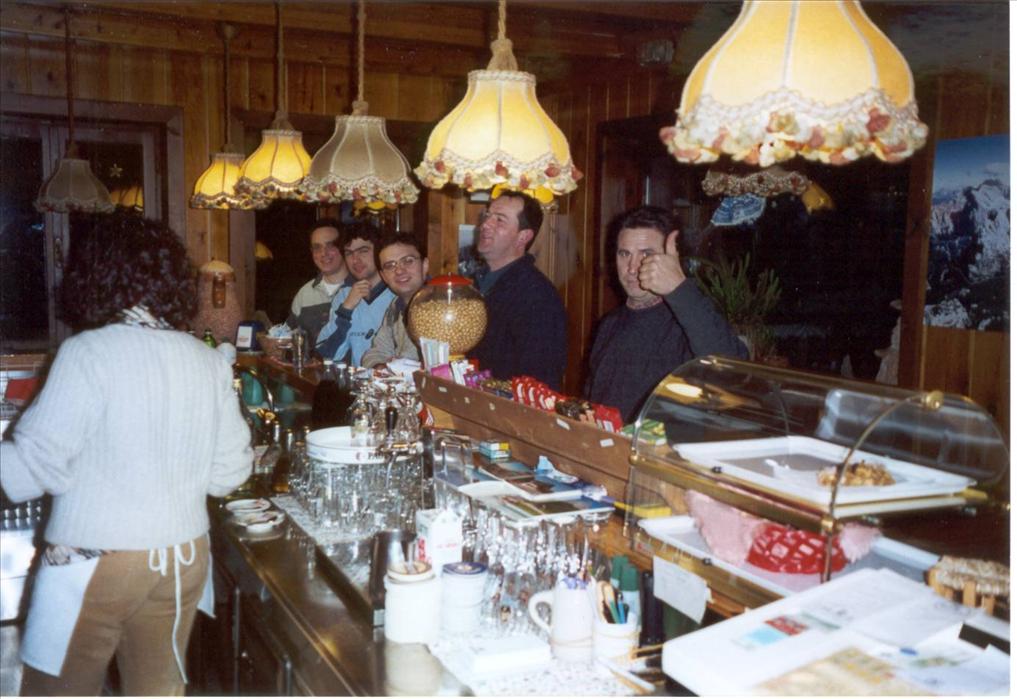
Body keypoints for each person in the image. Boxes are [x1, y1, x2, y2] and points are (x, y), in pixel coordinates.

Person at [0, 213, 253, 696]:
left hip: (95, 560)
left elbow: (34, 467)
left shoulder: (89, 352)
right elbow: (229, 473)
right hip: (182, 558)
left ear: (96, 275)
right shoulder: (207, 360)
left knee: (56, 691)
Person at [585, 205, 748, 423]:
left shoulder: (687, 319)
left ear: (671, 260)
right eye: (624, 254)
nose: (632, 268)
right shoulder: (609, 324)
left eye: (646, 254)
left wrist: (679, 288)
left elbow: (734, 373)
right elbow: (592, 400)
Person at [469, 191, 567, 390]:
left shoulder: (539, 297)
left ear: (523, 237)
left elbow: (539, 382)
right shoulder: (472, 284)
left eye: (500, 220)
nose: (485, 224)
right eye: (487, 216)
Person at [316, 221, 395, 366]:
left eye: (363, 251)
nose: (355, 260)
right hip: (359, 379)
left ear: (379, 252)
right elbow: (324, 355)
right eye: (349, 253)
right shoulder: (345, 295)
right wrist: (346, 309)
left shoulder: (397, 292)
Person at [361, 233, 429, 369]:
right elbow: (377, 352)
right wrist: (380, 367)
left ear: (425, 265)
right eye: (390, 265)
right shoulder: (395, 306)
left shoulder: (438, 305)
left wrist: (392, 368)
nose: (399, 270)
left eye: (408, 261)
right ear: (384, 276)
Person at [286, 218, 348, 342]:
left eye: (330, 246)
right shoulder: (304, 294)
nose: (323, 253)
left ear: (344, 247)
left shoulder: (361, 289)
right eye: (317, 247)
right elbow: (289, 338)